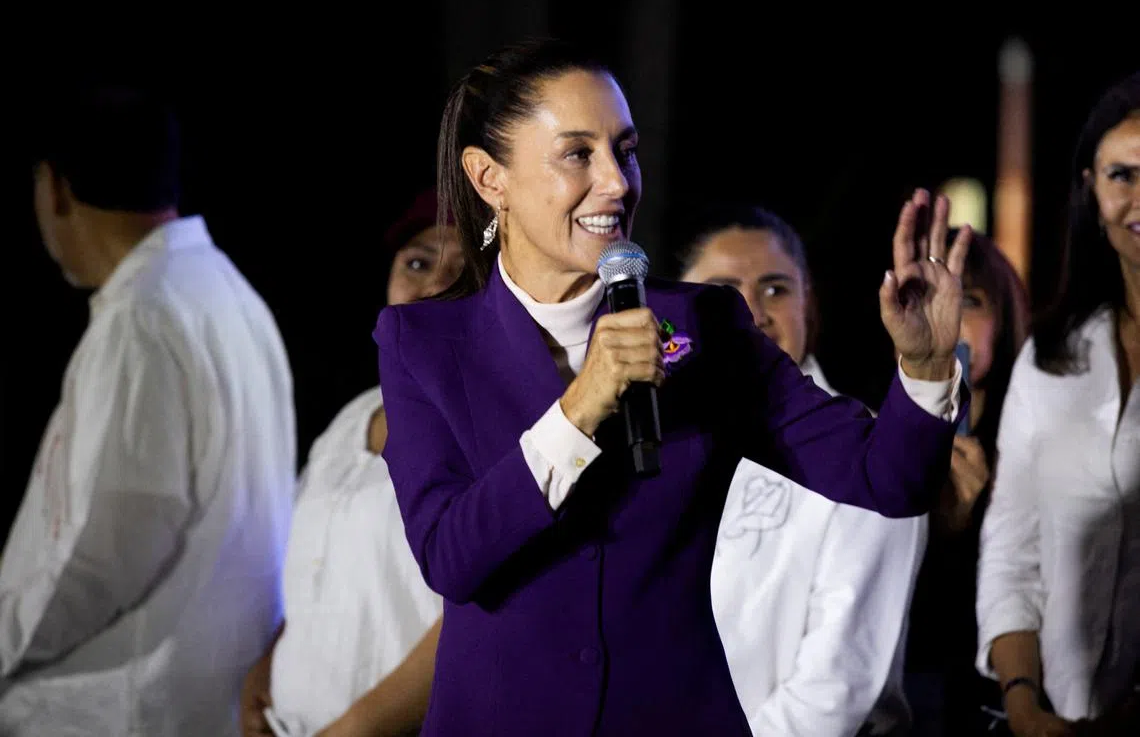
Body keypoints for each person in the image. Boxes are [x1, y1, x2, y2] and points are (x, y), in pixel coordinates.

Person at [373, 38, 971, 736]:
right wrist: (579, 408)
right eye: (578, 154)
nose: (618, 182)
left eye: (624, 150)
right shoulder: (423, 344)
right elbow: (451, 556)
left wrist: (926, 367)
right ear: (489, 179)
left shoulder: (703, 325)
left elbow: (886, 479)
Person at [0, 89, 295, 736]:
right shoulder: (224, 291)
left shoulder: (144, 316)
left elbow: (103, 548)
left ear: (54, 188)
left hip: (120, 709)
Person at [680, 205, 927, 737]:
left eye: (776, 289)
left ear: (808, 303)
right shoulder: (650, 440)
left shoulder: (868, 448)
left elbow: (835, 688)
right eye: (723, 290)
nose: (752, 312)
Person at [240, 190, 458, 737]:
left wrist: (353, 730)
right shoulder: (355, 415)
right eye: (417, 261)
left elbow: (474, 618)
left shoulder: (495, 432)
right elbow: (310, 568)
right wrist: (261, 675)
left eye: (466, 270)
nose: (434, 284)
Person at [976, 72, 1140, 736]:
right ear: (1089, 191)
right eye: (1121, 174)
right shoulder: (1050, 356)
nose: (1138, 195)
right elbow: (1012, 548)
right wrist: (1022, 703)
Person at [901, 229, 1031, 736]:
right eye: (927, 296)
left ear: (1004, 320)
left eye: (970, 299)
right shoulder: (864, 432)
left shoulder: (1037, 439)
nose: (948, 313)